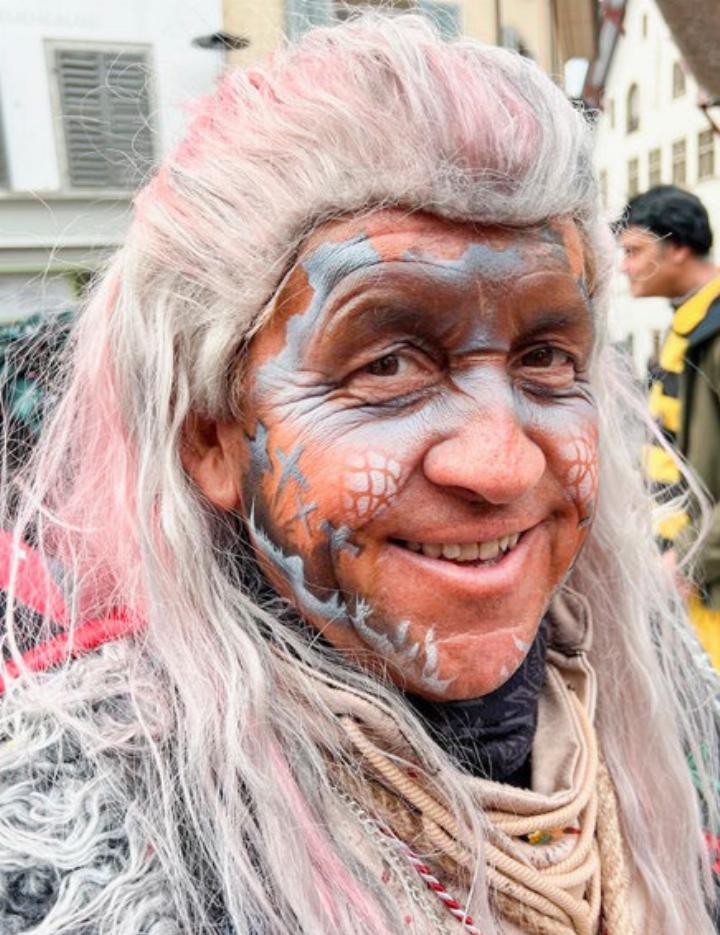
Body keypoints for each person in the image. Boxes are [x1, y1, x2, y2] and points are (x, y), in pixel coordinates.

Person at [0, 15, 718, 935]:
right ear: (210, 440)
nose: (501, 463)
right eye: (386, 365)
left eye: (546, 356)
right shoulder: (79, 839)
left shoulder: (668, 687)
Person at [619, 185, 720, 667]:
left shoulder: (712, 334)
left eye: (634, 251)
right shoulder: (689, 326)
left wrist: (687, 563)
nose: (625, 266)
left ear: (677, 247)